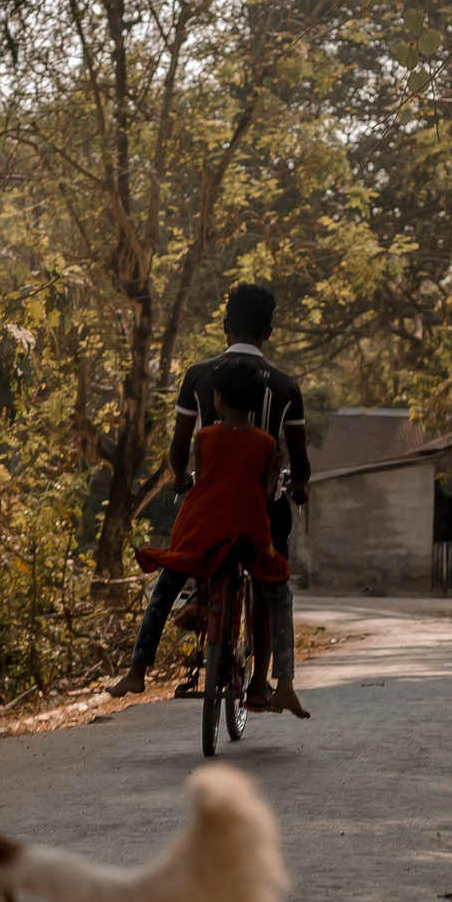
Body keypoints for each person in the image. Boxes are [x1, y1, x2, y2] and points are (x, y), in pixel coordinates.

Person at [105, 356, 309, 716]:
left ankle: (137, 670)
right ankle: (286, 685)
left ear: (218, 400)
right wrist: (276, 468)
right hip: (249, 532)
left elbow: (202, 482)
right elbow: (261, 496)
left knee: (165, 587)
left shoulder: (204, 436)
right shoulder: (264, 444)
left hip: (203, 529)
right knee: (278, 594)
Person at [167, 283, 311, 715]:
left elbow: (178, 452)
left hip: (211, 506)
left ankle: (196, 595)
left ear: (225, 325)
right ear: (269, 330)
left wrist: (181, 476)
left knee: (193, 540)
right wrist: (298, 486)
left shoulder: (197, 374)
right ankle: (259, 684)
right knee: (269, 583)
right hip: (261, 511)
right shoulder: (287, 386)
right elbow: (300, 463)